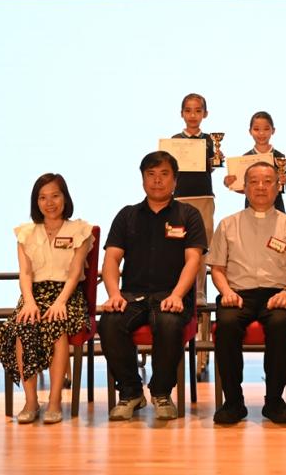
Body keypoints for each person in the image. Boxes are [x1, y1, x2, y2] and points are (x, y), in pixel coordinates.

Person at [98, 151, 208, 421]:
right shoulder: (127, 215)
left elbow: (193, 260)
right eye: (151, 174)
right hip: (133, 295)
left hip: (172, 296)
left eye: (164, 174)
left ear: (175, 180)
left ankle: (161, 392)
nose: (157, 180)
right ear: (143, 179)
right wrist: (114, 294)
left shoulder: (189, 214)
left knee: (169, 323)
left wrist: (178, 295)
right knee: (110, 323)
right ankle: (131, 392)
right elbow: (111, 259)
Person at [208, 162, 286, 425]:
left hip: (277, 293)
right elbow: (217, 268)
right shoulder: (228, 224)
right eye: (254, 181)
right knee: (226, 324)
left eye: (268, 181)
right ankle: (233, 402)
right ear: (244, 187)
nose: (260, 187)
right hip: (237, 294)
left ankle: (274, 401)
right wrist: (226, 291)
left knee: (280, 324)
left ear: (278, 187)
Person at [0, 173, 93, 425]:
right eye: (43, 197)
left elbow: (75, 273)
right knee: (22, 326)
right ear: (36, 202)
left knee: (56, 325)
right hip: (34, 294)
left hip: (67, 294)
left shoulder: (80, 230)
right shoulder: (26, 233)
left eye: (55, 196)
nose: (49, 203)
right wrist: (28, 301)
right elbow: (25, 273)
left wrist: (60, 302)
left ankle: (55, 400)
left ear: (65, 198)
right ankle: (30, 401)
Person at [171, 93, 217, 306]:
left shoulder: (210, 140)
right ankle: (177, 289)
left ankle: (199, 291)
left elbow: (211, 168)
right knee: (177, 244)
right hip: (179, 197)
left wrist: (216, 159)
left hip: (204, 197)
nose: (193, 115)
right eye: (188, 111)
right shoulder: (174, 141)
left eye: (198, 111)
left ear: (205, 114)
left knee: (202, 245)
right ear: (181, 113)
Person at [223, 111, 286, 213]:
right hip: (251, 208)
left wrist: (283, 182)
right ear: (250, 131)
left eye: (266, 129)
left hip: (276, 207)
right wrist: (230, 183)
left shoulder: (280, 157)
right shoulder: (245, 158)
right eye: (256, 129)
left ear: (273, 130)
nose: (261, 133)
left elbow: (283, 186)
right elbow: (243, 188)